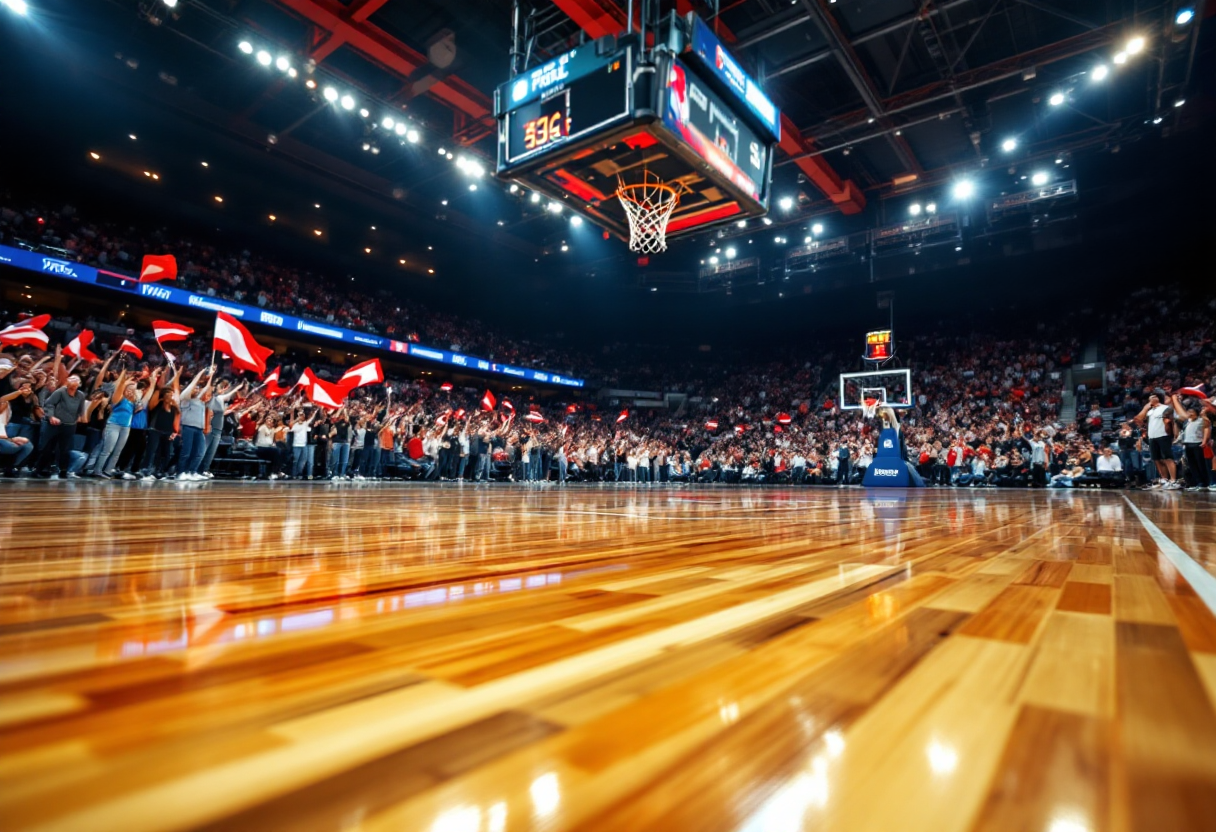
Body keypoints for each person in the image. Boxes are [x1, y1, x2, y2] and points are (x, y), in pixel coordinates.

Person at [36, 374, 88, 478]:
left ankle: (63, 470)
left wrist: (82, 416)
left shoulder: (81, 395)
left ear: (79, 384)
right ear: (67, 381)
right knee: (47, 447)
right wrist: (51, 417)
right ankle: (40, 469)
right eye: (71, 378)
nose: (74, 381)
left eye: (76, 379)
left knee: (65, 449)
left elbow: (81, 409)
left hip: (70, 425)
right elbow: (49, 404)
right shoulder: (60, 391)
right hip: (54, 424)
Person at [1134, 393, 1180, 490]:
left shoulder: (1166, 408)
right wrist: (1146, 408)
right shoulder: (1149, 411)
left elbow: (1172, 420)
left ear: (1159, 398)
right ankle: (1164, 480)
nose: (1152, 398)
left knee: (1167, 458)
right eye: (1150, 397)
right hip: (1152, 436)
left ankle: (1173, 480)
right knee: (1156, 459)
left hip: (1164, 435)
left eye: (1154, 396)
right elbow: (1138, 419)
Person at [1172, 393, 1212, 491]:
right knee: (1192, 464)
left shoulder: (1201, 420)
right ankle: (1197, 482)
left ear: (1197, 413)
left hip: (1198, 444)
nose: (1190, 414)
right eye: (1189, 412)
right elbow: (1180, 414)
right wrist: (1176, 401)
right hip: (1188, 444)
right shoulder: (1188, 421)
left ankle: (1204, 483)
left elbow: (1208, 427)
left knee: (1200, 464)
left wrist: (1204, 440)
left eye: (1192, 412)